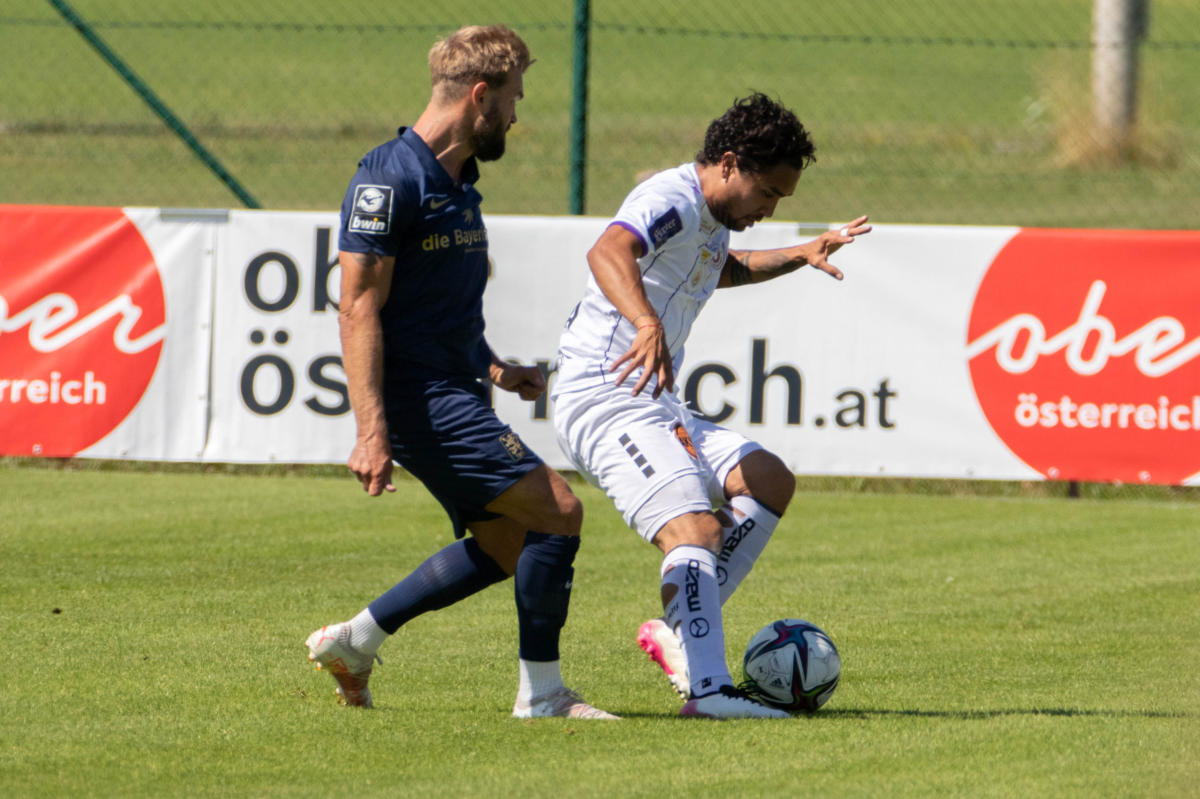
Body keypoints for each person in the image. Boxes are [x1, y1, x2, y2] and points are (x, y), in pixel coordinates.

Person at [304, 24, 616, 720]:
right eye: (513, 98)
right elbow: (358, 307)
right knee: (559, 510)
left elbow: (437, 308)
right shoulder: (389, 179)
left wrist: (495, 366)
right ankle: (543, 695)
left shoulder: (457, 181)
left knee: (509, 542)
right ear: (480, 95)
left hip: (457, 386)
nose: (516, 115)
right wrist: (371, 432)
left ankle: (356, 640)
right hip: (419, 397)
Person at [551, 93, 870, 719]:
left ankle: (685, 632)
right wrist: (646, 322)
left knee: (767, 480)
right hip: (605, 395)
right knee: (695, 530)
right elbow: (608, 251)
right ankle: (710, 690)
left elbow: (726, 270)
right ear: (728, 163)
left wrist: (800, 253)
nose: (770, 208)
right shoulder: (671, 198)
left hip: (653, 400)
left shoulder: (712, 220)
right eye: (768, 192)